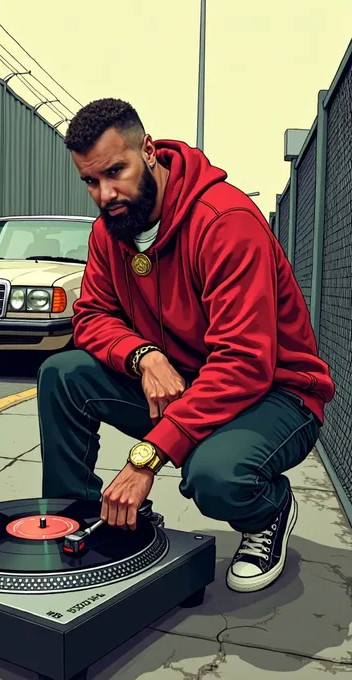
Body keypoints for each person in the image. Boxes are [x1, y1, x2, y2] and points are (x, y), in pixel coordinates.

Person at [37, 98, 334, 593]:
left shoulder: (226, 222)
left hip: (276, 394)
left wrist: (148, 456)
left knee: (214, 474)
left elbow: (243, 363)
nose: (105, 194)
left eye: (116, 171)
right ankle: (82, 522)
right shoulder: (111, 232)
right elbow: (91, 316)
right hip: (182, 381)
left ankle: (270, 511)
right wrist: (143, 355)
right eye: (91, 181)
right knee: (63, 375)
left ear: (148, 151)